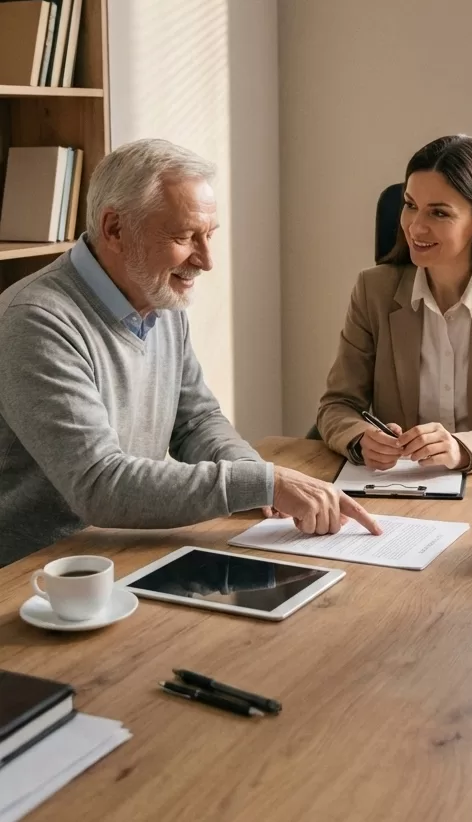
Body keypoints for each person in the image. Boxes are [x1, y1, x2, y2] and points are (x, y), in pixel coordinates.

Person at [0, 138, 379, 567]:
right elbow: (98, 484)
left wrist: (254, 480)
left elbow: (195, 422)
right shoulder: (36, 320)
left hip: (121, 549)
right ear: (115, 229)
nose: (205, 260)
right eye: (184, 236)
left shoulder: (159, 296)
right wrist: (263, 483)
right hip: (36, 576)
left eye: (209, 235)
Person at [316, 135, 472, 474]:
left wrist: (462, 449)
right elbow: (338, 404)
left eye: (439, 213)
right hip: (395, 487)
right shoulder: (373, 290)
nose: (415, 226)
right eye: (411, 205)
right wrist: (361, 437)